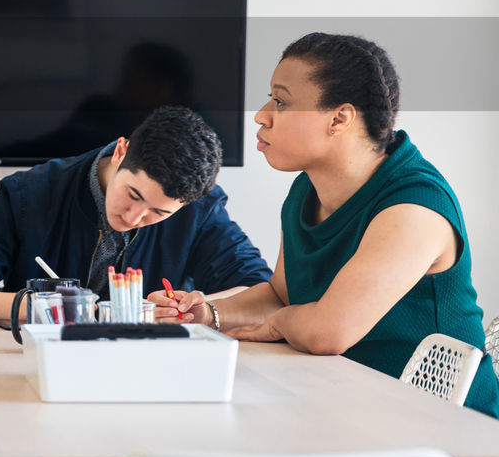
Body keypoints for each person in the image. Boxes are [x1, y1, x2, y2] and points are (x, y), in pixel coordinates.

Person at [152, 33, 499, 419]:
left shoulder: (414, 206)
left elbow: (326, 333)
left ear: (339, 118)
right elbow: (280, 295)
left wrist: (278, 324)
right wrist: (209, 312)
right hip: (350, 406)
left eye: (281, 102)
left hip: (447, 436)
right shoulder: (306, 190)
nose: (262, 115)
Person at [0, 105, 272, 323]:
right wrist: (41, 308)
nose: (133, 217)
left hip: (149, 375)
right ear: (121, 152)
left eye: (157, 213)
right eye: (131, 195)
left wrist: (200, 306)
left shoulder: (200, 210)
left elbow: (263, 291)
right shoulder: (32, 194)